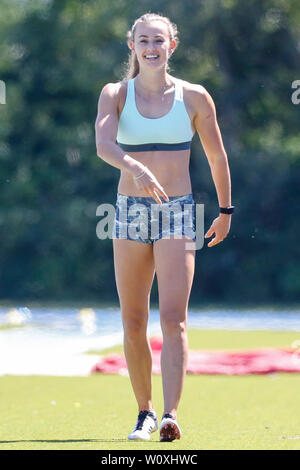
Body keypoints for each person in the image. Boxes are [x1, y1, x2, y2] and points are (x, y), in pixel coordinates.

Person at [95, 12, 234, 442]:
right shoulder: (115, 94)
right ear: (131, 46)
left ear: (172, 46)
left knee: (174, 319)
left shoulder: (194, 97)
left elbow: (216, 158)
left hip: (178, 211)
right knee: (133, 321)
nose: (151, 47)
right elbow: (103, 145)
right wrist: (133, 166)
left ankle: (172, 414)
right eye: (143, 41)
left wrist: (226, 210)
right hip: (128, 211)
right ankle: (145, 413)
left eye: (159, 40)